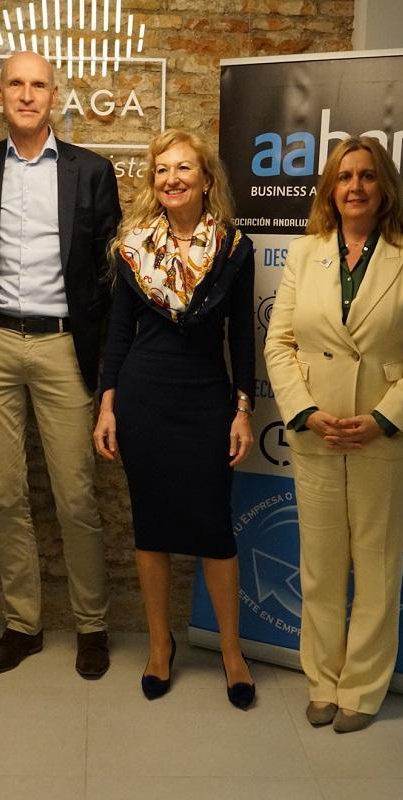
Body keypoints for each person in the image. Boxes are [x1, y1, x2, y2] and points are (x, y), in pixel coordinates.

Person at [264, 136, 403, 733]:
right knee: (318, 567)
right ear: (330, 188)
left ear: (384, 185)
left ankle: (362, 690)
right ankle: (322, 680)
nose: (356, 187)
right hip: (317, 434)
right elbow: (280, 343)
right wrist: (306, 411)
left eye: (368, 176)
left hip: (383, 438)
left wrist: (383, 418)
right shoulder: (305, 251)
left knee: (376, 570)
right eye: (345, 177)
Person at [0, 51, 121, 679]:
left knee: (75, 496)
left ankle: (92, 626)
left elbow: (109, 272)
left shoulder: (91, 171)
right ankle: (23, 625)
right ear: (0, 94)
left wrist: (97, 351)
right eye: (16, 84)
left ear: (55, 95)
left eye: (39, 85)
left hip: (63, 348)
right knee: (4, 494)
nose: (27, 95)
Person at [92, 129, 256, 708]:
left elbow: (243, 337)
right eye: (161, 169)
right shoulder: (132, 247)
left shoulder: (235, 248)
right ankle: (160, 646)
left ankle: (233, 653)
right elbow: (118, 335)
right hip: (144, 397)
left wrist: (243, 409)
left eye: (183, 168)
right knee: (152, 525)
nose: (172, 178)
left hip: (207, 398)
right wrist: (107, 405)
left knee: (215, 528)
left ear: (206, 180)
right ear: (152, 181)